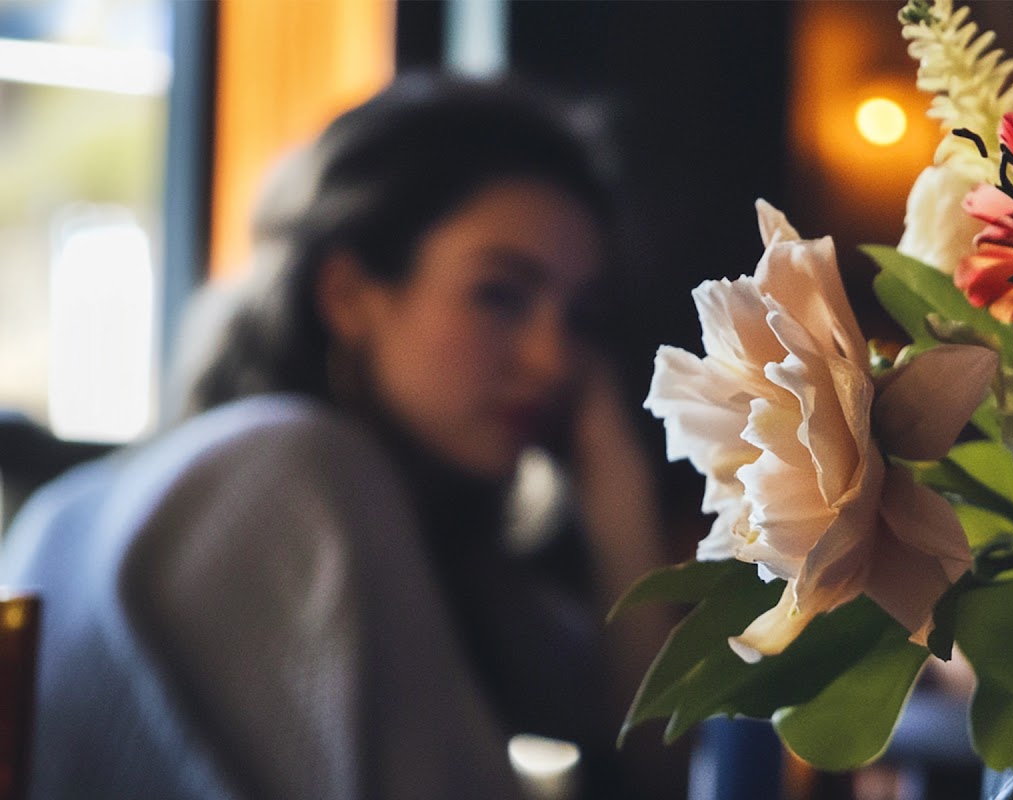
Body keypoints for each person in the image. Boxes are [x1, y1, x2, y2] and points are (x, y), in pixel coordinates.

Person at [0, 72, 675, 799]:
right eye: (500, 296)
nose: (556, 361)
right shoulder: (288, 469)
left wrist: (619, 499)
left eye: (582, 318)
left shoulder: (446, 562)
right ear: (348, 294)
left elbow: (664, 759)